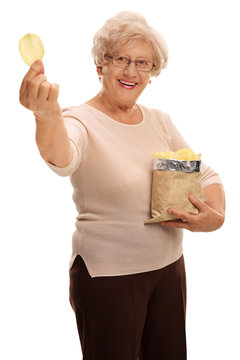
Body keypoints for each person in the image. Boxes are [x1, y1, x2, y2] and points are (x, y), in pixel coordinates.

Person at [19, 11, 225, 360]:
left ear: (152, 73)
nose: (131, 71)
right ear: (101, 65)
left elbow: (205, 174)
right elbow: (62, 157)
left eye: (143, 63)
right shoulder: (79, 120)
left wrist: (215, 217)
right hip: (108, 278)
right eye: (121, 59)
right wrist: (46, 115)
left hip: (169, 268)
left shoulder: (160, 121)